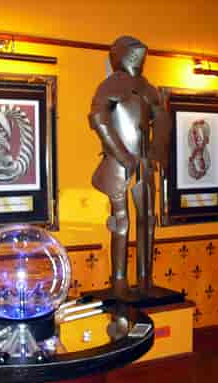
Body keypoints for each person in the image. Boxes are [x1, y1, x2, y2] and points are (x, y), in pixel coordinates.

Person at [88, 36, 171, 295]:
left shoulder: (148, 88)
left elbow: (162, 121)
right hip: (118, 162)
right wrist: (122, 154)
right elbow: (99, 119)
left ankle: (146, 278)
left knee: (148, 219)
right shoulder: (110, 86)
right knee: (121, 221)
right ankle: (119, 280)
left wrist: (155, 151)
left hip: (144, 162)